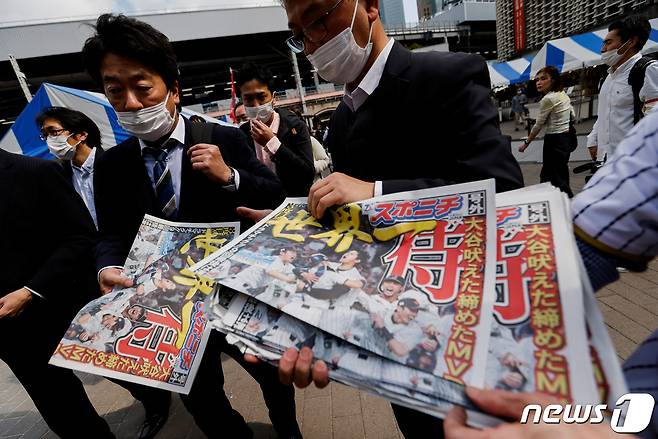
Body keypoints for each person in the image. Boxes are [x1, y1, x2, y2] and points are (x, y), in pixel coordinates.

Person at [272, 1, 524, 436]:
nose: (313, 40)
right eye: (300, 32)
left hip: (466, 322)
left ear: (370, 6)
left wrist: (378, 193)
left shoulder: (446, 76)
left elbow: (503, 189)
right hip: (394, 338)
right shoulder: (343, 117)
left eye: (319, 17)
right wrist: (285, 227)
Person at [82, 14, 301, 439]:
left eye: (142, 87)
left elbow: (274, 197)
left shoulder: (224, 139)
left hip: (236, 294)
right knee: (202, 398)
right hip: (171, 309)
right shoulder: (111, 164)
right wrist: (105, 266)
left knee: (272, 377)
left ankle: (288, 429)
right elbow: (108, 232)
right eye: (115, 91)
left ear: (173, 90)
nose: (130, 102)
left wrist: (231, 178)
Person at [0, 150, 114, 438]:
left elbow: (80, 236)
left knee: (114, 372)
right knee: (61, 411)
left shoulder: (36, 172)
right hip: (10, 333)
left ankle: (154, 402)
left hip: (57, 306)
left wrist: (29, 291)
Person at [237, 62, 315, 196]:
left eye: (261, 97)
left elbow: (307, 174)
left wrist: (273, 144)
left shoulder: (295, 126)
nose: (256, 105)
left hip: (294, 203)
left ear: (274, 98)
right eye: (248, 99)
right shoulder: (241, 134)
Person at [587, 15, 658, 161]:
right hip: (607, 160)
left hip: (635, 162)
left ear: (631, 42)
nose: (603, 49)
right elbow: (605, 113)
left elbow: (654, 122)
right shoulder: (609, 76)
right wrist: (593, 140)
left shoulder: (648, 69)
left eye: (608, 43)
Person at [36, 106, 104, 229]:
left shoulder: (115, 163)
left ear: (82, 135)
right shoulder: (59, 174)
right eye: (45, 135)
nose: (49, 140)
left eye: (54, 132)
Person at [518, 66, 575, 197]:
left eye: (543, 79)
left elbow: (538, 125)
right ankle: (554, 201)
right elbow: (573, 114)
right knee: (558, 173)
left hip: (554, 140)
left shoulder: (548, 99)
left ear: (553, 80)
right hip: (565, 138)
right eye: (537, 79)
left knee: (554, 177)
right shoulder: (562, 94)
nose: (539, 82)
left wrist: (526, 142)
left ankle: (567, 205)